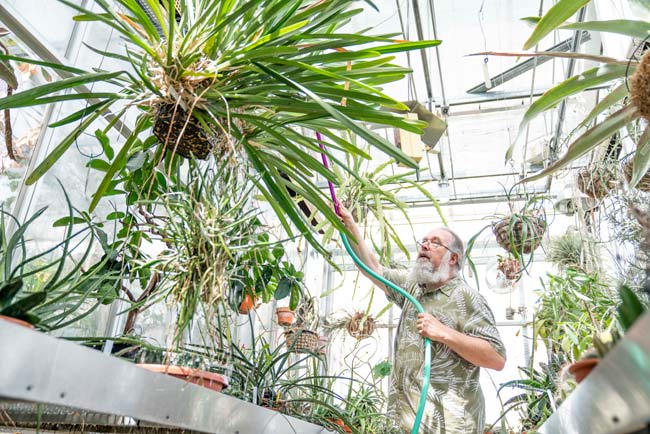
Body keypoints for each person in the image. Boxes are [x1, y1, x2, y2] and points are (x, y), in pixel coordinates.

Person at [338, 205, 506, 434]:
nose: (425, 245)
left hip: (450, 426)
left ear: (453, 258)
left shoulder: (467, 298)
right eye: (424, 241)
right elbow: (373, 268)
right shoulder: (413, 288)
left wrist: (444, 333)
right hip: (405, 422)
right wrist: (349, 223)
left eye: (435, 242)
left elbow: (496, 358)